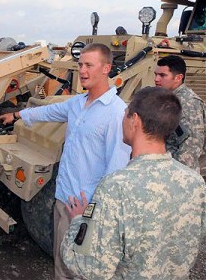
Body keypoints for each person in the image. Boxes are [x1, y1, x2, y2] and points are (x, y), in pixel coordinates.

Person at [0, 43, 131, 279]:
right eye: (80, 64)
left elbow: (116, 171)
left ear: (106, 68)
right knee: (62, 264)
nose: (82, 71)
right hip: (64, 198)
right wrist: (18, 114)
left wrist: (94, 212)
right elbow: (48, 113)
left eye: (89, 65)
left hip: (86, 207)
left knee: (81, 269)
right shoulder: (78, 103)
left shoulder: (116, 113)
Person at [61, 87, 206, 279]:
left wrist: (78, 221)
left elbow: (89, 268)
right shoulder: (195, 182)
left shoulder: (116, 186)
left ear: (135, 121)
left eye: (125, 114)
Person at [154, 55, 205, 173]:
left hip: (178, 173)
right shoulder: (168, 98)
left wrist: (175, 177)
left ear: (178, 78)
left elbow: (191, 147)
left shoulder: (187, 103)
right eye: (155, 74)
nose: (156, 79)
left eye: (162, 75)